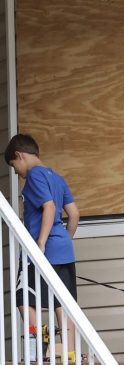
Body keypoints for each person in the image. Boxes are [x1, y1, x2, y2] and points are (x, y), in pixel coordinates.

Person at [4, 133, 80, 362]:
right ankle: (69, 354)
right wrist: (63, 241)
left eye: (14, 167)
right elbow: (74, 214)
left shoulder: (35, 175)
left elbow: (48, 207)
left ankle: (41, 339)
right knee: (62, 303)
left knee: (23, 299)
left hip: (41, 251)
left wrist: (41, 244)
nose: (17, 173)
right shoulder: (57, 178)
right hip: (63, 250)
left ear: (20, 155)